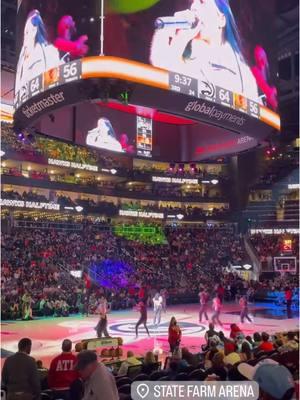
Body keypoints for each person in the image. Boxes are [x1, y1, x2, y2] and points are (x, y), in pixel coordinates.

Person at [150, 0, 260, 101]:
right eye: (192, 2)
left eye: (202, 2)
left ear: (221, 19)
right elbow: (163, 81)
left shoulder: (243, 75)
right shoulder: (188, 62)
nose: (193, 7)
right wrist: (171, 32)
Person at [15, 10, 61, 94]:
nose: (25, 37)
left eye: (27, 32)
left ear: (34, 30)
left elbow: (54, 82)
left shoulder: (49, 52)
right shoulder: (22, 55)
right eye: (25, 33)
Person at [251, 45, 278, 110]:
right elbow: (269, 93)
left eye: (262, 57)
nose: (261, 61)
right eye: (258, 58)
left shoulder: (272, 71)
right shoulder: (255, 71)